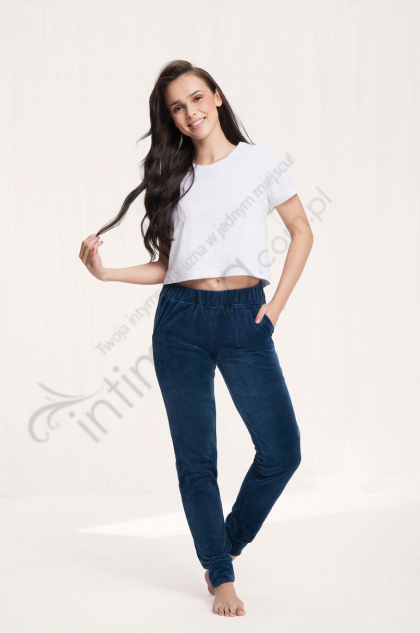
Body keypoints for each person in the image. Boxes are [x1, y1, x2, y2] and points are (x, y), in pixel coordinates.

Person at [79, 60, 313, 617]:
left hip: (244, 316)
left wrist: (275, 306)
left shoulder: (260, 162)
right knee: (197, 458)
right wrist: (107, 274)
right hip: (180, 321)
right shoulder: (175, 177)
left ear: (217, 96)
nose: (190, 113)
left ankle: (223, 546)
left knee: (282, 451)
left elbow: (302, 230)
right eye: (177, 108)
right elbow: (171, 266)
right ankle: (222, 576)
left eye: (197, 98)